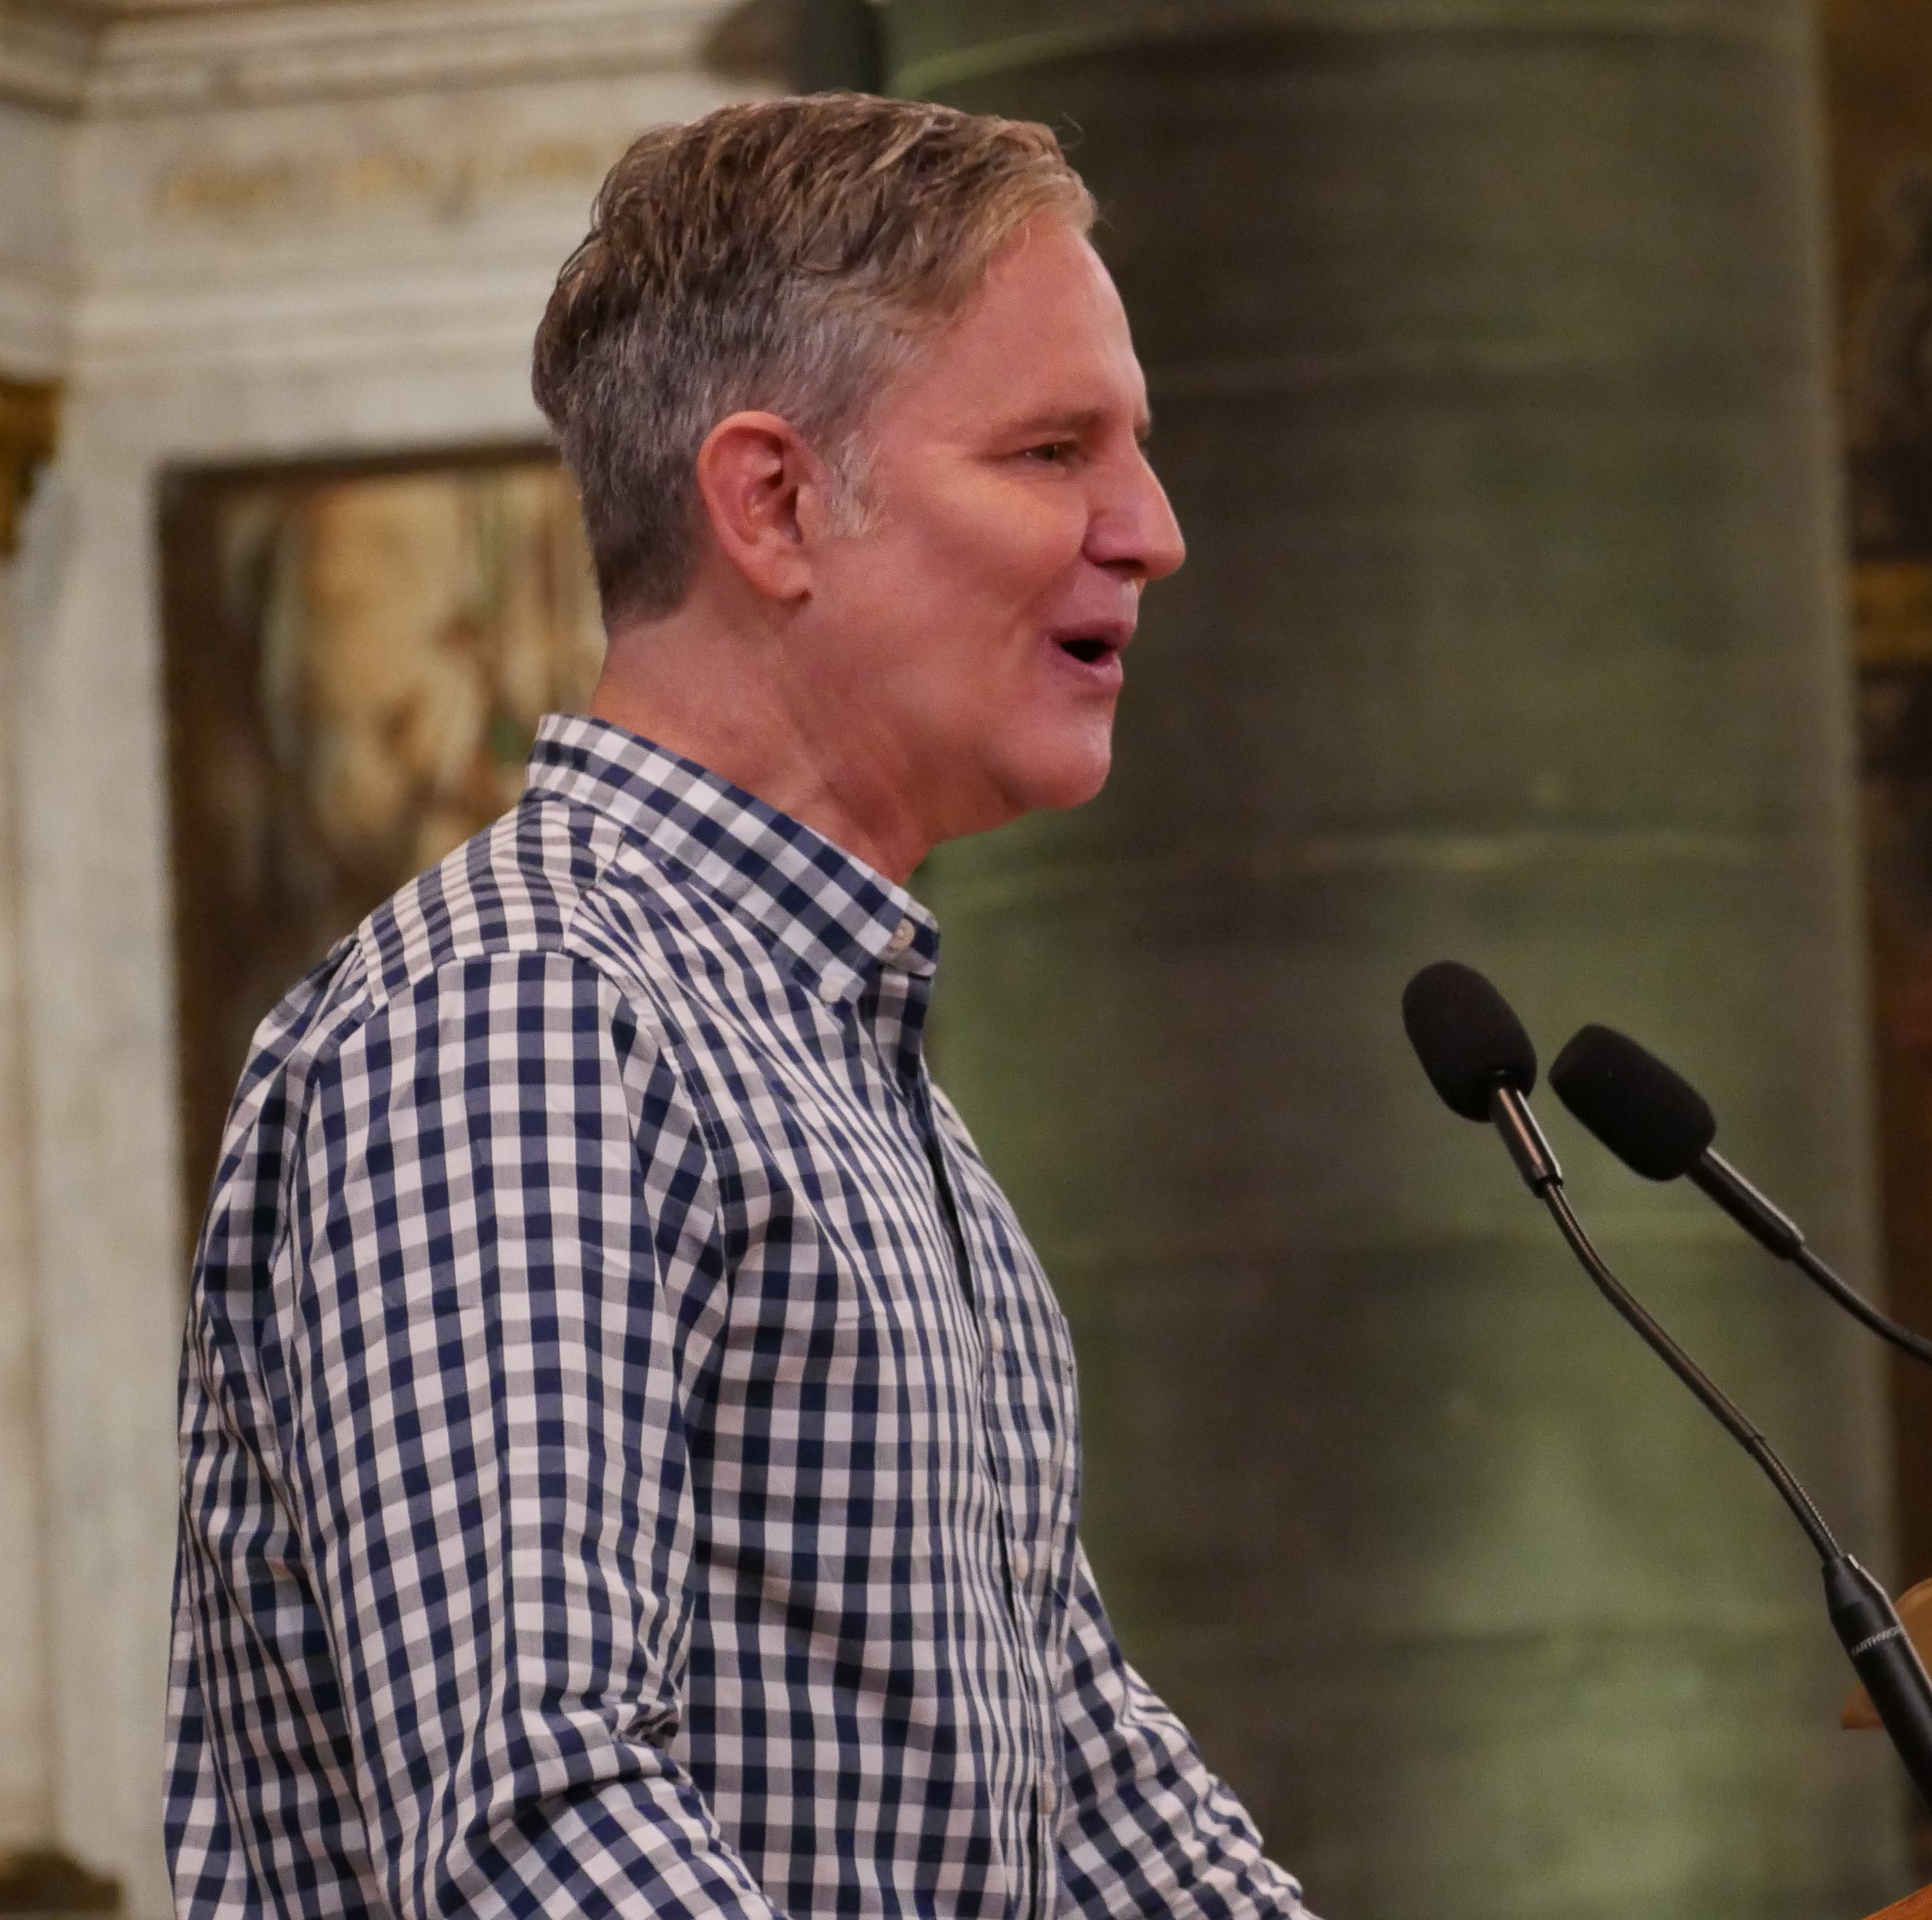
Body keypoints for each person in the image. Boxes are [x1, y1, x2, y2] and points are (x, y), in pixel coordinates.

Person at [166, 96, 1312, 1918]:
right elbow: (533, 1819)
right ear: (772, 502)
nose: (1151, 529)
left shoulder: (834, 1064)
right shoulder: (527, 1017)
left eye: (1135, 451)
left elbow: (1093, 1793)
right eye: (1051, 450)